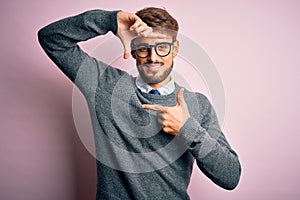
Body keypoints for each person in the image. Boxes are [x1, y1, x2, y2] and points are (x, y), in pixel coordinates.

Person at [38, 7, 241, 200]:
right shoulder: (104, 85)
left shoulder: (197, 104)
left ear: (175, 48)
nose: (153, 58)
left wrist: (187, 129)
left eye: (162, 47)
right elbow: (52, 39)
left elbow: (231, 176)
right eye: (144, 48)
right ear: (133, 50)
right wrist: (109, 20)